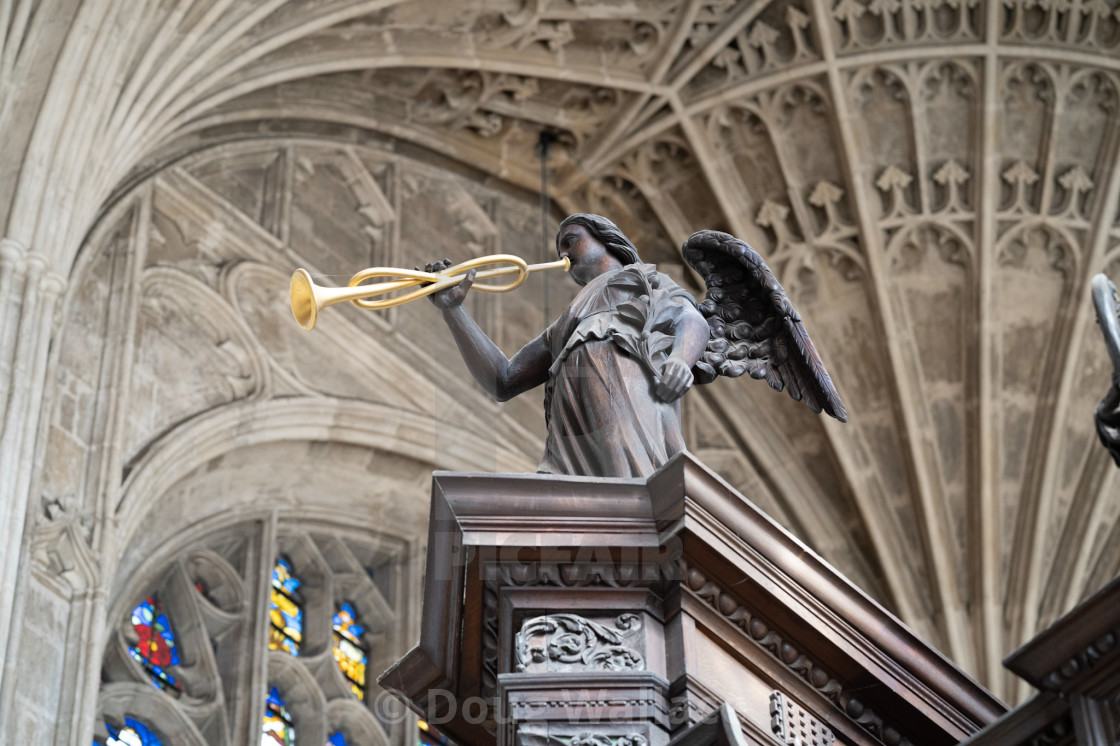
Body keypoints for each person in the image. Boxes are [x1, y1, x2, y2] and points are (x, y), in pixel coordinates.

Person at [427, 213, 710, 478]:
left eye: (570, 241)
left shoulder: (643, 281)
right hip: (572, 429)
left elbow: (688, 317)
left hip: (625, 398)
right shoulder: (565, 326)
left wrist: (681, 359)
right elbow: (503, 379)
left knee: (627, 467)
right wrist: (453, 311)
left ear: (606, 240)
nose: (563, 254)